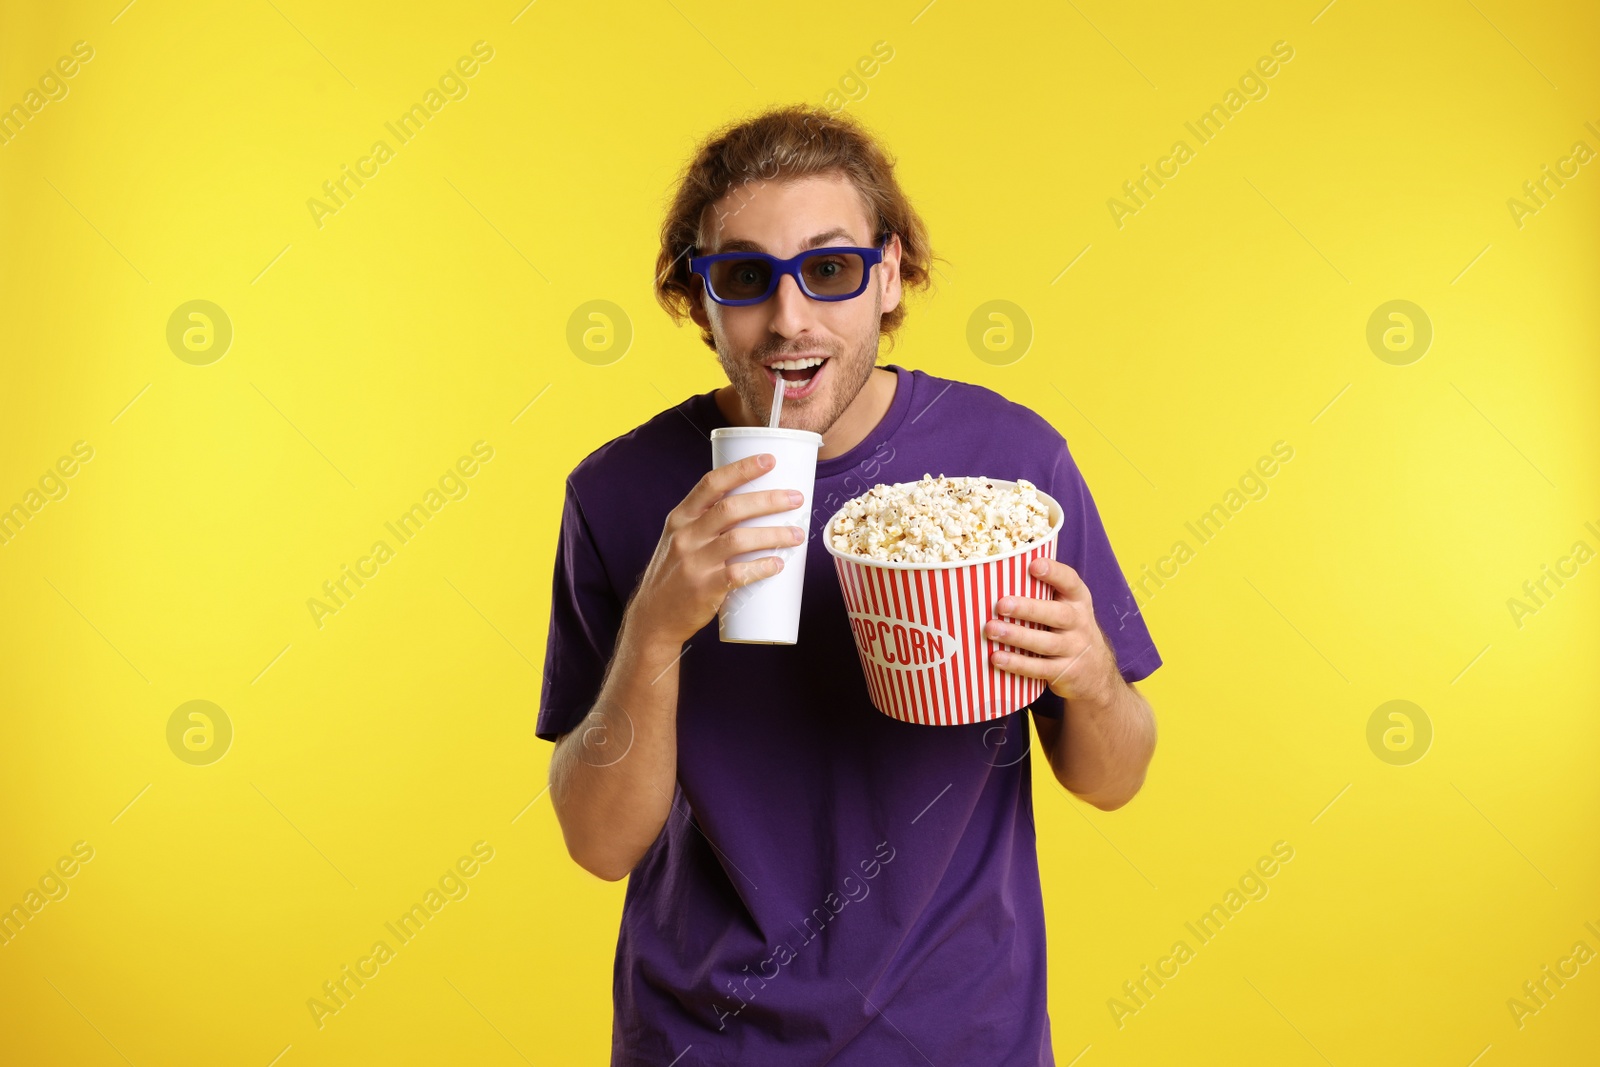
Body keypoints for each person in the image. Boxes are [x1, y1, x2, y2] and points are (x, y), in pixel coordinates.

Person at [537, 104, 1162, 1066]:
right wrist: (655, 632)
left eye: (827, 270)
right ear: (695, 301)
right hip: (703, 1039)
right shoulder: (618, 495)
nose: (789, 319)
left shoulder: (1012, 463)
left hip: (962, 1038)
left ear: (891, 275)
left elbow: (1113, 777)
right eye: (744, 276)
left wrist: (1092, 678)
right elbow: (598, 843)